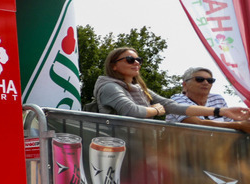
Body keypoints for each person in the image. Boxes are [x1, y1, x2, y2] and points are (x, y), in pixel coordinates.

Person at [94, 47, 249, 122]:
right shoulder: (109, 87)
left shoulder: (141, 89)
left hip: (139, 146)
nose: (136, 62)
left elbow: (172, 106)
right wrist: (155, 109)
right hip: (118, 146)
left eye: (138, 60)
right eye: (129, 59)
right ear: (113, 65)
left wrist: (221, 111)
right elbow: (132, 111)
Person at [166, 66, 250, 133]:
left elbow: (230, 123)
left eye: (210, 80)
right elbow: (195, 123)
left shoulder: (218, 99)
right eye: (199, 79)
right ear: (185, 84)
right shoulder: (176, 99)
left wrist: (244, 120)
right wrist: (239, 125)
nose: (206, 83)